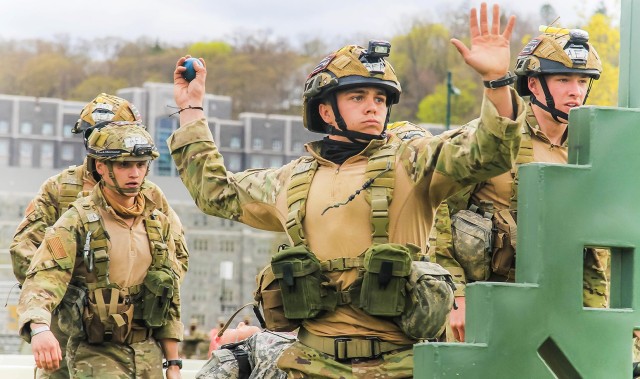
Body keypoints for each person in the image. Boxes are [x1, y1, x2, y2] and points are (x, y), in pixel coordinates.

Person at [169, 3, 524, 377]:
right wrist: (191, 109)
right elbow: (215, 191)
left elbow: (489, 152)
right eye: (358, 98)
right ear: (325, 111)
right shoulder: (291, 180)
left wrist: (497, 82)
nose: (373, 108)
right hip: (311, 364)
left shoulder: (413, 161)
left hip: (400, 365)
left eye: (380, 99)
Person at [433, 25, 609, 342]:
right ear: (534, 84)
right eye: (563, 79)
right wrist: (456, 296)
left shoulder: (593, 151)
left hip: (562, 308)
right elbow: (436, 215)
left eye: (582, 81)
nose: (576, 91)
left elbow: (604, 242)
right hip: (488, 305)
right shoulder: (491, 138)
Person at [9, 93, 189, 379]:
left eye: (139, 163)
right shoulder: (60, 189)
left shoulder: (150, 197)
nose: (133, 170)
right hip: (68, 326)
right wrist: (71, 292)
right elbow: (25, 252)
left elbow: (175, 256)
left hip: (134, 334)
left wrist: (142, 292)